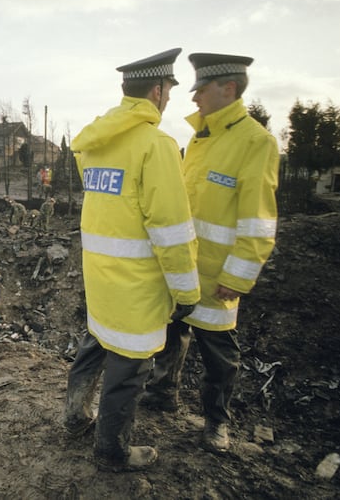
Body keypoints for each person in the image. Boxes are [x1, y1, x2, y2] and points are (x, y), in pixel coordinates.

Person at [63, 48, 200, 471]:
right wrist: (187, 291)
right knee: (129, 367)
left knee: (97, 341)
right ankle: (111, 452)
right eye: (170, 91)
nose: (171, 99)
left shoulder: (98, 142)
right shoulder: (156, 146)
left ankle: (74, 416)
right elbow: (171, 230)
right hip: (137, 285)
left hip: (101, 277)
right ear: (156, 91)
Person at [142, 53, 279, 455]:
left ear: (229, 89)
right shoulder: (201, 138)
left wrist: (236, 277)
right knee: (171, 335)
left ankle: (216, 422)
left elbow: (259, 221)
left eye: (201, 90)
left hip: (217, 276)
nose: (194, 98)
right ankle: (163, 393)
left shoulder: (256, 142)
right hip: (183, 269)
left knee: (219, 356)